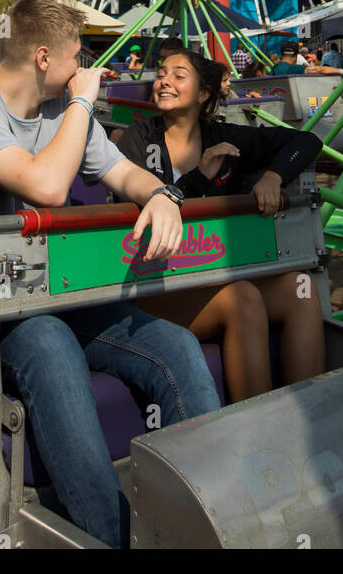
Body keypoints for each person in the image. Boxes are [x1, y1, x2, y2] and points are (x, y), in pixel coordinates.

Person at [0, 0, 221, 550]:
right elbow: (46, 187)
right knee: (51, 346)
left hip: (59, 294)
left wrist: (162, 196)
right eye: (76, 55)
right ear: (44, 57)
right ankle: (109, 537)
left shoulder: (61, 113)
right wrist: (84, 102)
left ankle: (202, 524)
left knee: (177, 349)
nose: (84, 67)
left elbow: (122, 172)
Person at [117, 50, 325, 404]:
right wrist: (199, 177)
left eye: (178, 75)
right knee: (242, 296)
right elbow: (148, 208)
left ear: (203, 93)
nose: (164, 81)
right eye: (162, 73)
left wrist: (274, 177)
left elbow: (306, 142)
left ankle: (312, 415)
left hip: (210, 275)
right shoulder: (137, 139)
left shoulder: (221, 136)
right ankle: (257, 425)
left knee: (300, 289)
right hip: (154, 285)